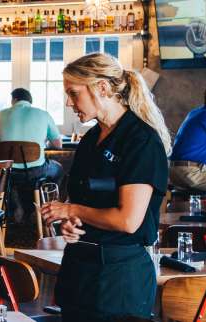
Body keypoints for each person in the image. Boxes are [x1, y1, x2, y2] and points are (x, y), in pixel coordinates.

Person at [41, 53, 171, 322]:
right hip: (78, 269)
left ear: (101, 88)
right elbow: (89, 204)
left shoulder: (141, 141)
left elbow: (128, 220)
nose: (68, 103)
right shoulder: (91, 139)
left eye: (73, 93)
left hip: (118, 277)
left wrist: (72, 209)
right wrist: (72, 223)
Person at [0, 88, 63, 222]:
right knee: (59, 169)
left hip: (8, 171)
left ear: (14, 99)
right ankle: (46, 207)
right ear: (30, 101)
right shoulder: (43, 114)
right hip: (35, 172)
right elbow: (58, 145)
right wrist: (42, 145)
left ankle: (17, 207)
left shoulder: (0, 114)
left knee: (11, 180)